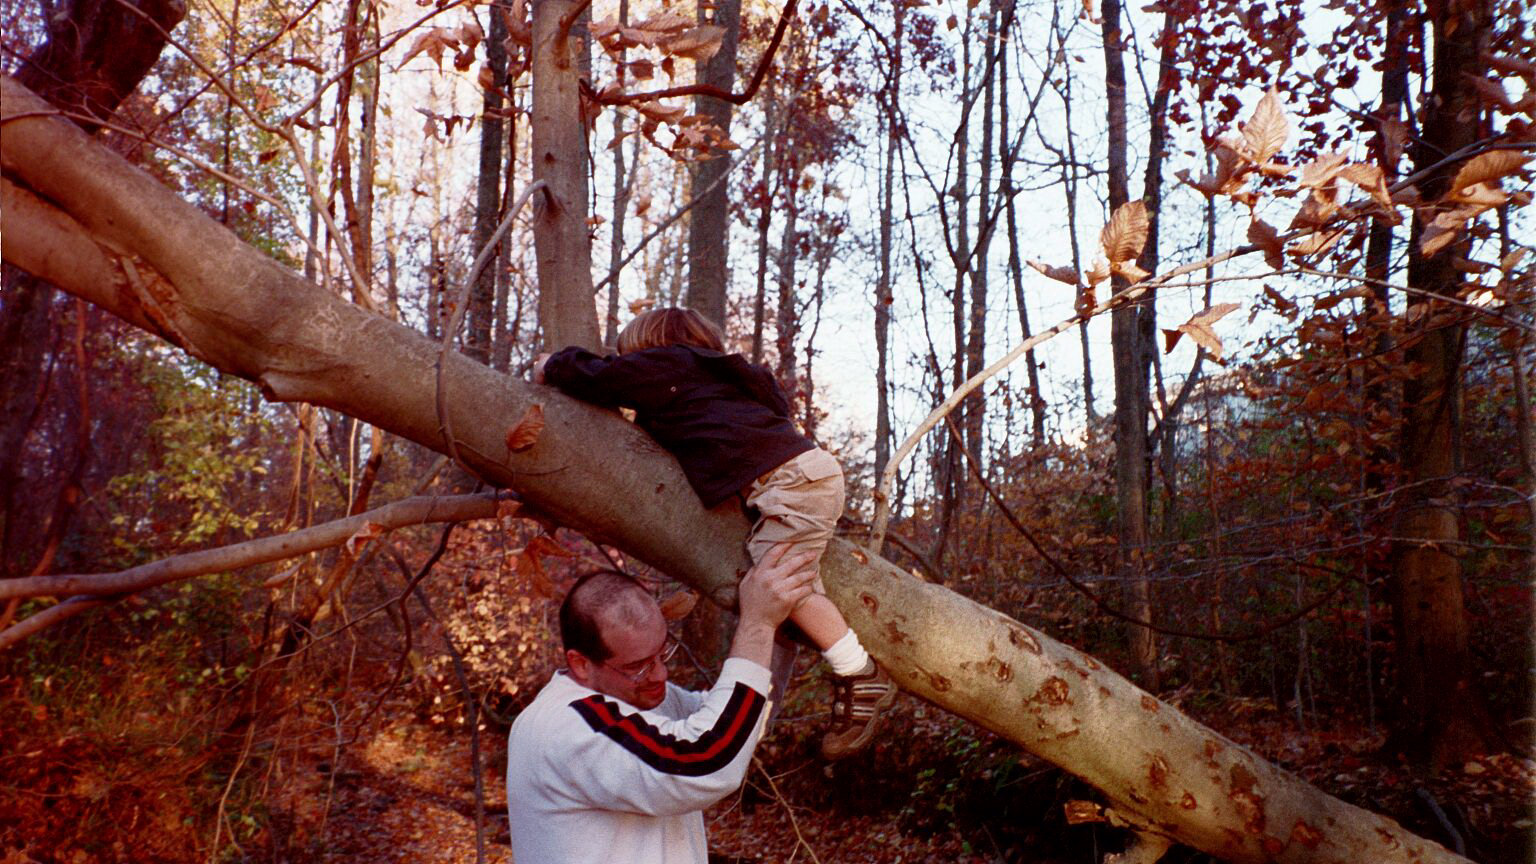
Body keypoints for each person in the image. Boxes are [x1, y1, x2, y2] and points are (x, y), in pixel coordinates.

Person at [535, 307, 897, 759]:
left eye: (635, 359)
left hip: (791, 483)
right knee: (782, 605)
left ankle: (859, 672)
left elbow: (602, 377)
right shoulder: (716, 385)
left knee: (780, 586)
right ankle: (758, 716)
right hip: (797, 479)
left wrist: (553, 364)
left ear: (651, 349)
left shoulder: (669, 364)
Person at [505, 545, 818, 864]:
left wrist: (777, 635)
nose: (660, 674)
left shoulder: (635, 698)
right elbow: (707, 759)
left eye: (662, 654)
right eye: (637, 666)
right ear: (581, 664)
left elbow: (740, 725)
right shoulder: (567, 724)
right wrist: (758, 623)